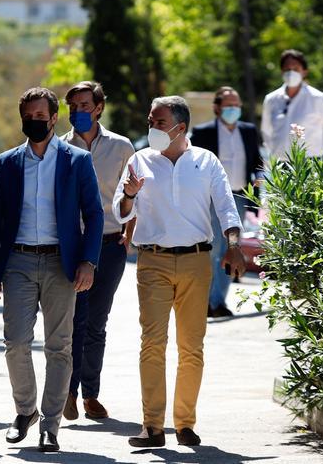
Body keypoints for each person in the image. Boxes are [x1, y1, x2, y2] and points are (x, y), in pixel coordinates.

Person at [113, 95, 245, 448]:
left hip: (195, 262)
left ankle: (185, 423)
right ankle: (152, 427)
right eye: (151, 121)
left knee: (191, 347)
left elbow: (227, 209)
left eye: (158, 122)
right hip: (152, 261)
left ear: (180, 128)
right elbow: (120, 212)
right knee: (152, 344)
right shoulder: (139, 161)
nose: (152, 127)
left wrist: (233, 245)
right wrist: (129, 195)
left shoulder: (206, 162)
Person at [0, 87, 103, 452]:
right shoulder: (9, 161)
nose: (33, 121)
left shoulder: (77, 160)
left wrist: (89, 261)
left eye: (40, 116)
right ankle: (25, 410)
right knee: (15, 342)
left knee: (59, 347)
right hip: (17, 260)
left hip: (60, 263)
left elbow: (95, 214)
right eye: (28, 116)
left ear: (54, 118)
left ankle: (50, 424)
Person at [59, 81, 135, 421]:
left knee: (97, 323)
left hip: (110, 244)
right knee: (74, 321)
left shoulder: (121, 147)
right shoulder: (59, 148)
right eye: (73, 106)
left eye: (85, 105)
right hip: (73, 246)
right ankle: (68, 394)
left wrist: (129, 231)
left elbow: (134, 193)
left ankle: (91, 394)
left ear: (99, 107)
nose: (78, 112)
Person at [190, 87, 263, 318]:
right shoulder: (203, 133)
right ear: (217, 107)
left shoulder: (249, 131)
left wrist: (260, 179)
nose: (234, 109)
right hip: (211, 197)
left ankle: (217, 302)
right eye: (229, 105)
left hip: (239, 196)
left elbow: (257, 161)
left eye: (237, 105)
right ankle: (205, 301)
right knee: (213, 249)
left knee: (232, 250)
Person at [261, 49, 323, 159]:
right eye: (287, 69)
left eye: (295, 69)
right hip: (280, 164)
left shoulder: (318, 98)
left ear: (304, 72)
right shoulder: (271, 99)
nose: (291, 73)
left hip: (310, 162)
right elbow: (266, 132)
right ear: (281, 72)